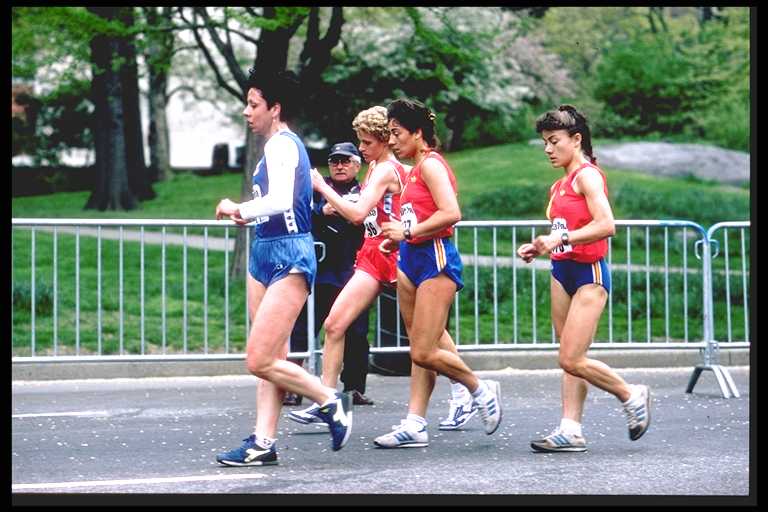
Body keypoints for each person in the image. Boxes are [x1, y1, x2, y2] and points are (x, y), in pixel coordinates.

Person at [213, 68, 352, 467]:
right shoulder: (272, 147)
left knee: (258, 358)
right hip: (265, 251)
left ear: (275, 109)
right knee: (272, 357)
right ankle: (263, 441)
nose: (246, 111)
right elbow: (275, 206)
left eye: (253, 104)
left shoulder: (283, 145)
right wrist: (249, 218)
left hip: (289, 254)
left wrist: (238, 207)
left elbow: (280, 200)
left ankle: (328, 399)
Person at [516, 104, 651, 453]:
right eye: (545, 142)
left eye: (554, 141)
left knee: (571, 358)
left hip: (589, 273)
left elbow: (607, 225)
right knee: (569, 354)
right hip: (562, 271)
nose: (548, 149)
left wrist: (559, 239)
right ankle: (570, 429)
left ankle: (630, 394)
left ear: (576, 139)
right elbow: (564, 230)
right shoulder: (558, 186)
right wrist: (539, 247)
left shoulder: (587, 175)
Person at [375, 98, 502, 448]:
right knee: (419, 347)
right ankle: (415, 423)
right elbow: (419, 216)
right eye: (389, 134)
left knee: (422, 351)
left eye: (397, 133)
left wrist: (409, 233)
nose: (393, 141)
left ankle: (479, 387)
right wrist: (398, 237)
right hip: (410, 261)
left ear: (418, 133)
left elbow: (451, 212)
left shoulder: (431, 165)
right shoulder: (414, 169)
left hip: (435, 261)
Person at [287, 106, 411, 425]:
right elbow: (360, 208)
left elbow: (356, 215)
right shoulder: (374, 168)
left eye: (366, 143)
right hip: (373, 253)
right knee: (334, 324)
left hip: (395, 253)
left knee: (428, 341)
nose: (362, 148)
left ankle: (472, 389)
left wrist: (322, 187)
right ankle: (328, 400)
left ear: (383, 140)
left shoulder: (386, 169)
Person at [283, 142, 374, 408]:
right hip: (319, 270)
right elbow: (296, 215)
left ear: (357, 165)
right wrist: (321, 211)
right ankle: (293, 386)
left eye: (345, 161)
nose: (339, 166)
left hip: (353, 270)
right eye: (334, 161)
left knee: (356, 331)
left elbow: (366, 216)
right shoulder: (313, 187)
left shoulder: (365, 189)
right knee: (302, 328)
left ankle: (354, 387)